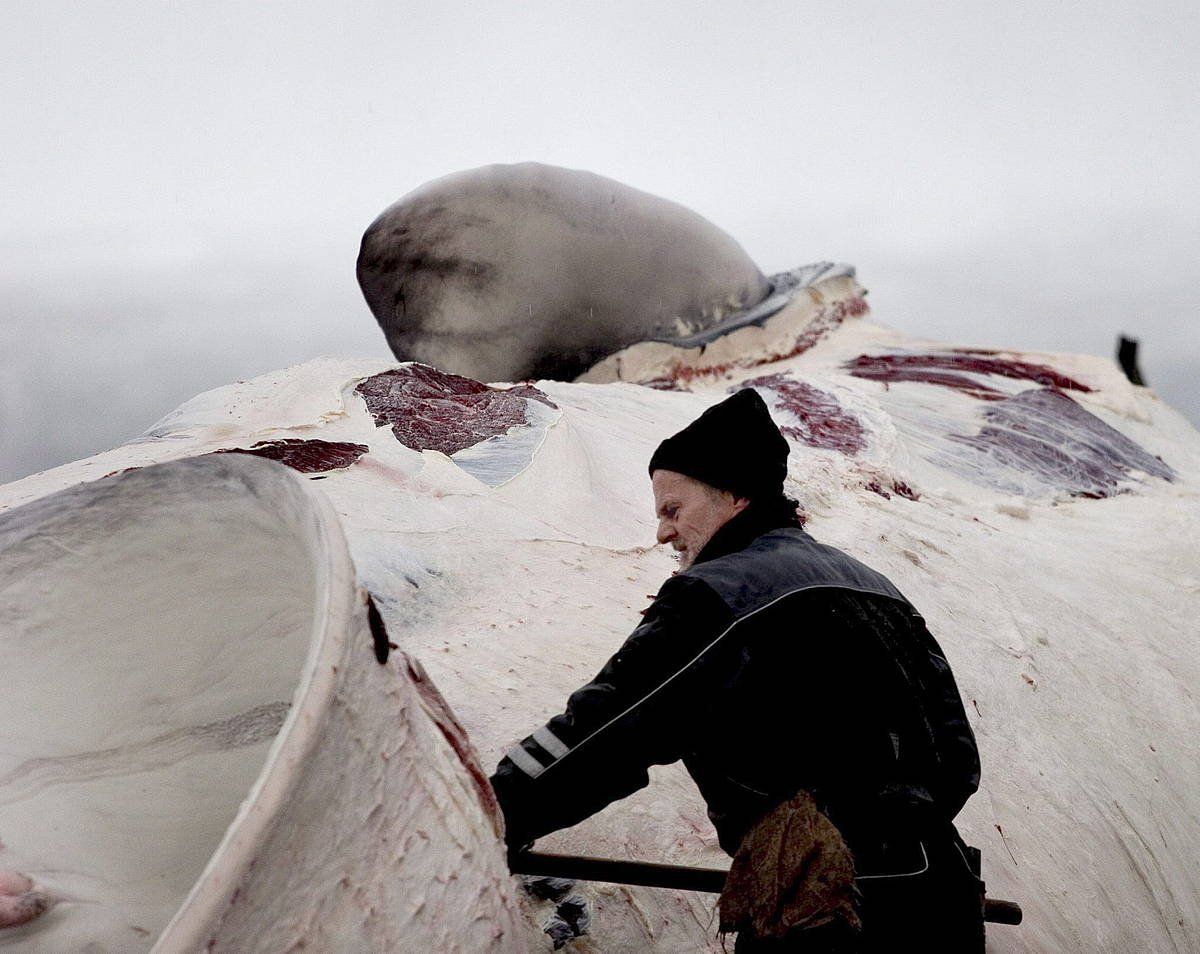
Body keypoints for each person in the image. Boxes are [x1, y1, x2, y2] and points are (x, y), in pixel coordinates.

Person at [489, 389, 984, 951]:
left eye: (673, 510)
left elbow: (607, 730)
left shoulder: (720, 595)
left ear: (733, 495)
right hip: (942, 901)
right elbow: (957, 761)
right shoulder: (875, 586)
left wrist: (489, 811)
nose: (662, 533)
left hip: (827, 915)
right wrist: (891, 827)